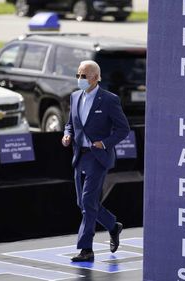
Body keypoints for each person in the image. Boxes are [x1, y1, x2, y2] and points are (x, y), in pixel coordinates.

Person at [62, 60, 130, 262]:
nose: (80, 79)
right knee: (81, 202)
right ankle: (112, 225)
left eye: (84, 76)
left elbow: (123, 129)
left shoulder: (109, 100)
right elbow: (70, 125)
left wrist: (105, 143)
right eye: (78, 75)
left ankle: (86, 249)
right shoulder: (75, 97)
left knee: (88, 201)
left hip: (98, 157)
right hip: (79, 154)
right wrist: (67, 135)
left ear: (96, 78)